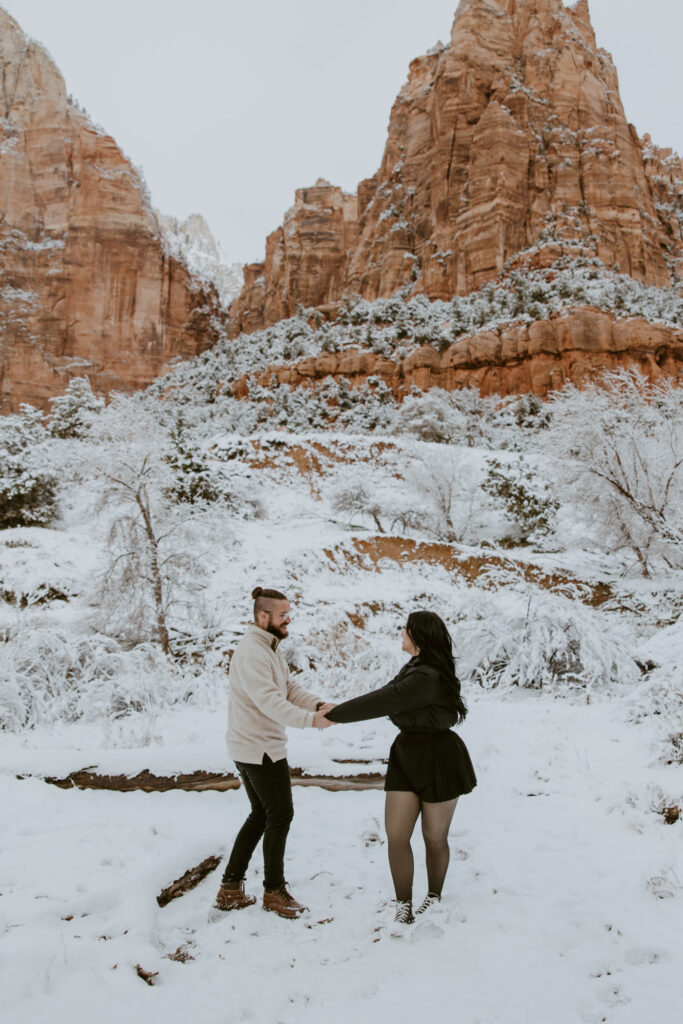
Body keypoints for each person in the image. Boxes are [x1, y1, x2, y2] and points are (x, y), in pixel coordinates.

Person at [324, 610, 476, 925]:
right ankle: (403, 904)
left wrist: (336, 714)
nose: (401, 632)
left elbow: (384, 700)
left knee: (434, 837)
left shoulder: (427, 675)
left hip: (439, 757)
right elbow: (387, 698)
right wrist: (336, 709)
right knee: (396, 834)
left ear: (417, 636)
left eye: (405, 628)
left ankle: (433, 897)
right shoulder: (414, 667)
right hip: (407, 754)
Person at [214, 586, 334, 919]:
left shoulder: (268, 647)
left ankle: (229, 889)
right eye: (283, 615)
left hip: (253, 745)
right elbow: (270, 702)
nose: (288, 619)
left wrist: (318, 704)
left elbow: (288, 687)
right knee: (279, 815)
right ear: (263, 615)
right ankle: (274, 891)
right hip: (260, 748)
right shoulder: (253, 652)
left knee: (261, 814)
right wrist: (312, 721)